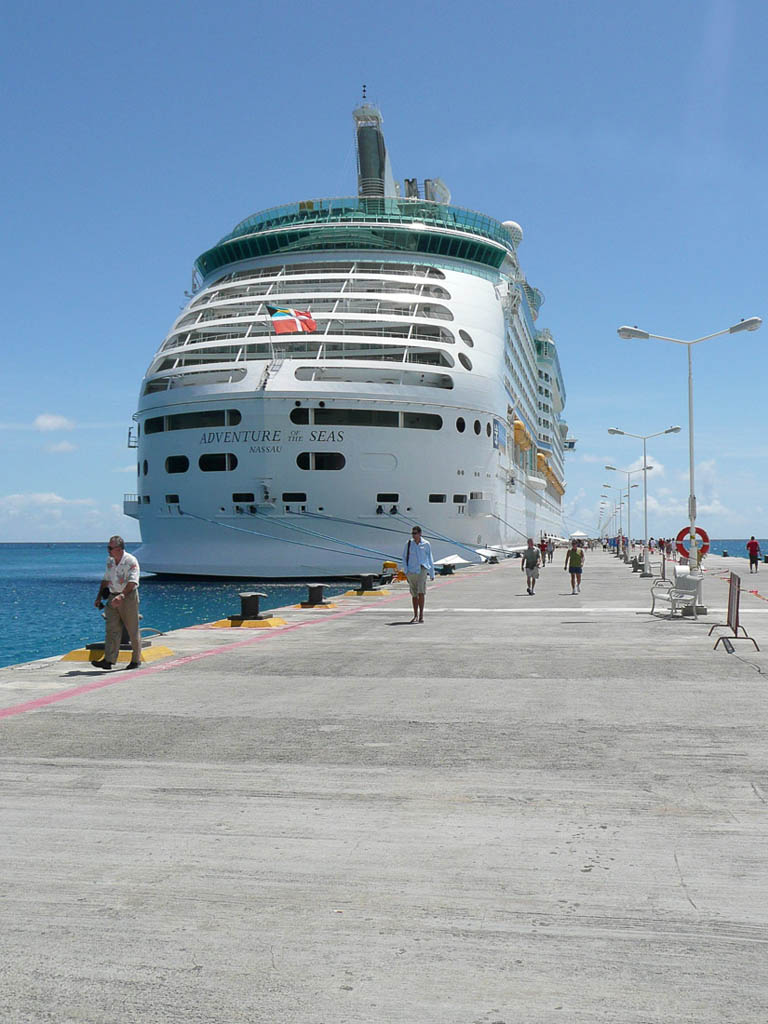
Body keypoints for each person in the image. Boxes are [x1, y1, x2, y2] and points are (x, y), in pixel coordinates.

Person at [92, 536, 142, 669]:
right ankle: (109, 660)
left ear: (119, 549)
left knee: (132, 628)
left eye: (110, 548)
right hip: (112, 595)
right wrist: (99, 597)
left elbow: (133, 582)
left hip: (128, 596)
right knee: (111, 629)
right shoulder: (110, 561)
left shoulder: (131, 561)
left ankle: (136, 659)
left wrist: (122, 596)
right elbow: (106, 579)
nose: (108, 550)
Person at [402, 525, 434, 623]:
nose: (414, 535)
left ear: (420, 534)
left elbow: (430, 558)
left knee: (421, 592)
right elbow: (404, 557)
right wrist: (406, 571)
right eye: (412, 533)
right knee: (414, 593)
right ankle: (415, 615)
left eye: (415, 533)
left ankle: (421, 615)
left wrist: (432, 573)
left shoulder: (426, 544)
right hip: (412, 571)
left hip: (422, 569)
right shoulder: (408, 544)